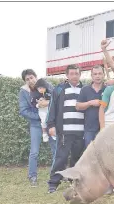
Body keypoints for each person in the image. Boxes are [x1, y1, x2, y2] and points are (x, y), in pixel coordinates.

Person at [47, 64, 85, 193]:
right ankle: (53, 182)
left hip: (80, 130)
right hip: (64, 130)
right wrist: (51, 125)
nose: (74, 76)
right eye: (72, 73)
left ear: (80, 75)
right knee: (61, 157)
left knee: (77, 157)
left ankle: (73, 180)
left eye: (77, 73)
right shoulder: (59, 89)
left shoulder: (85, 89)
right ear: (67, 75)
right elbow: (52, 108)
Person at [18, 69, 56, 187]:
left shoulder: (46, 84)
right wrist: (40, 117)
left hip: (50, 123)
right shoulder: (24, 92)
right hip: (35, 125)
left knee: (55, 150)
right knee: (34, 152)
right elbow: (24, 111)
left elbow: (56, 99)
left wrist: (48, 105)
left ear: (35, 76)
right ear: (25, 81)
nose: (30, 80)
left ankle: (55, 175)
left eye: (31, 77)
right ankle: (32, 176)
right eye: (27, 79)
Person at [76, 65, 106, 148]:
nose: (97, 76)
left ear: (104, 75)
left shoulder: (108, 89)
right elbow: (78, 106)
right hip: (89, 129)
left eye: (100, 73)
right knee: (90, 154)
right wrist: (90, 103)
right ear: (91, 76)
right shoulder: (85, 89)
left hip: (105, 127)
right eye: (95, 74)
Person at [31, 78, 52, 142]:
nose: (41, 89)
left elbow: (53, 100)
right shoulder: (35, 95)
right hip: (41, 110)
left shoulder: (49, 93)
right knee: (43, 121)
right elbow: (33, 103)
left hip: (49, 109)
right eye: (39, 88)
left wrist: (47, 102)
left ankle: (53, 133)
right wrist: (38, 105)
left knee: (52, 120)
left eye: (42, 88)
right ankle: (44, 133)